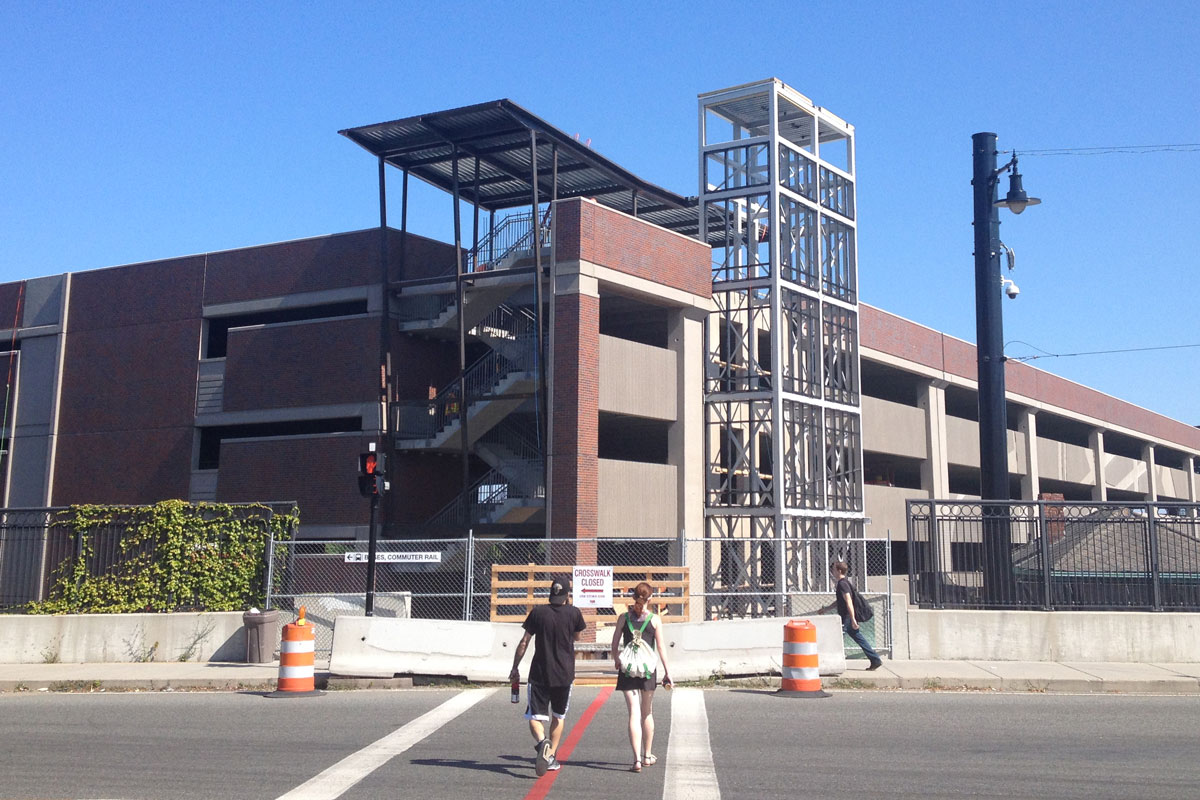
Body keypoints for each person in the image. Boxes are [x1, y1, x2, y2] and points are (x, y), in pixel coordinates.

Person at [509, 578, 586, 776]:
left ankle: (543, 742)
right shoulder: (574, 613)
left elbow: (524, 641)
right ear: (567, 595)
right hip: (564, 674)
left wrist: (515, 667)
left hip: (540, 674)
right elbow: (577, 637)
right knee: (558, 716)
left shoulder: (538, 612)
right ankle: (550, 755)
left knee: (535, 717)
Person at [610, 581, 672, 773]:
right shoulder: (654, 620)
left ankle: (636, 760)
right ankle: (647, 755)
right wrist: (668, 672)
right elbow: (661, 647)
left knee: (633, 714)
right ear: (650, 598)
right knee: (647, 713)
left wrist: (617, 660)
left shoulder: (623, 618)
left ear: (633, 596)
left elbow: (614, 644)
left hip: (628, 668)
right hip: (647, 669)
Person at [831, 561, 883, 670]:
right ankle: (875, 659)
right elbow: (840, 601)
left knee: (836, 637)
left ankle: (830, 661)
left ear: (839, 571)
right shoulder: (845, 583)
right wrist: (826, 608)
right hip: (848, 616)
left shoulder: (842, 584)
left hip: (847, 617)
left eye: (834, 569)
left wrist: (853, 619)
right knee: (858, 637)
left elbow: (848, 601)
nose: (832, 571)